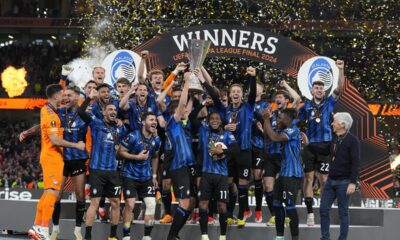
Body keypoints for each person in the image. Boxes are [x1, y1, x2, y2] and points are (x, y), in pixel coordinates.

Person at [27, 84, 85, 240]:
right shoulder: (52, 116)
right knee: (52, 193)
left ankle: (37, 226)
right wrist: (76, 145)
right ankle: (44, 229)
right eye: (62, 94)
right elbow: (55, 140)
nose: (64, 97)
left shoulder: (45, 109)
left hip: (47, 155)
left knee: (47, 193)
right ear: (56, 97)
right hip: (53, 157)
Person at [298, 60, 345, 226]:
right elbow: (294, 121)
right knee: (308, 178)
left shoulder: (329, 103)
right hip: (310, 146)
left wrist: (340, 70)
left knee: (325, 180)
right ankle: (310, 214)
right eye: (316, 88)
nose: (319, 90)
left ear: (324, 91)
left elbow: (339, 89)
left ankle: (324, 211)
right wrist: (299, 135)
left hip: (325, 146)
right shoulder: (305, 107)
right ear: (312, 90)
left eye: (321, 88)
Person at [78, 92, 127, 240]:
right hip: (97, 170)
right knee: (94, 202)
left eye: (114, 110)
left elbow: (124, 146)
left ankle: (112, 236)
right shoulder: (96, 123)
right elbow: (81, 112)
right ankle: (87, 236)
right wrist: (89, 98)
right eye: (110, 110)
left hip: (113, 171)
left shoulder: (121, 129)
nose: (113, 111)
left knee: (116, 202)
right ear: (104, 112)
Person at [196, 111, 239, 240]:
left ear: (221, 121)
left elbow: (236, 150)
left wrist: (222, 150)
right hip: (206, 174)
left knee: (222, 206)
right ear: (208, 121)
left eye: (217, 118)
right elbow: (200, 154)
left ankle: (222, 236)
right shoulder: (204, 133)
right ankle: (204, 236)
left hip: (221, 176)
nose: (214, 120)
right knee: (203, 204)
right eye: (212, 118)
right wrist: (198, 174)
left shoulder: (227, 135)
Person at [263, 81, 300, 226]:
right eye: (276, 96)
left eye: (281, 96)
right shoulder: (272, 116)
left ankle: (286, 216)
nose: (278, 98)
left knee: (283, 189)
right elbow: (268, 136)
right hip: (272, 155)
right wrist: (265, 123)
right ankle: (275, 215)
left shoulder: (290, 114)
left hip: (285, 157)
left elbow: (297, 98)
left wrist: (286, 86)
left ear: (286, 101)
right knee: (268, 187)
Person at [118, 112, 161, 240]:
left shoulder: (157, 140)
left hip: (146, 177)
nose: (154, 122)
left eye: (155, 120)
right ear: (143, 122)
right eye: (151, 120)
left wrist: (154, 176)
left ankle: (147, 236)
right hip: (129, 175)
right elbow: (120, 152)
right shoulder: (133, 136)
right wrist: (137, 157)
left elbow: (155, 156)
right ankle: (126, 235)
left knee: (152, 204)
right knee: (130, 204)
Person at [263, 108, 303, 240]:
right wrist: (266, 121)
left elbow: (274, 138)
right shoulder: (283, 130)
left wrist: (266, 119)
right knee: (276, 204)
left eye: (280, 117)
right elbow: (267, 135)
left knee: (290, 207)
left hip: (293, 174)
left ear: (288, 119)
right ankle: (279, 237)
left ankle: (295, 238)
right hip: (283, 173)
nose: (278, 119)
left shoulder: (294, 130)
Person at [224, 66, 256, 227]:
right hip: (229, 152)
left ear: (241, 95)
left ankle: (241, 215)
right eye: (233, 91)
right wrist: (224, 127)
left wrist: (252, 78)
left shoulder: (248, 108)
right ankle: (229, 214)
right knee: (230, 183)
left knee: (243, 184)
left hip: (244, 151)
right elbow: (218, 128)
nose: (235, 93)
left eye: (238, 91)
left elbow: (252, 95)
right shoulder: (226, 111)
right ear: (230, 95)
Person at [166, 71, 196, 240]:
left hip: (188, 167)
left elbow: (188, 105)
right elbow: (183, 103)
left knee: (191, 203)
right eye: (183, 109)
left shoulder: (184, 126)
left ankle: (175, 235)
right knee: (184, 202)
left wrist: (194, 95)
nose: (186, 110)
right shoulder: (172, 122)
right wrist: (186, 82)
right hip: (179, 167)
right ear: (176, 111)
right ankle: (171, 236)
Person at [320, 112, 359, 240]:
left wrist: (353, 182)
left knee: (343, 213)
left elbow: (355, 162)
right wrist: (308, 143)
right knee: (323, 210)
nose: (332, 123)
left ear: (342, 124)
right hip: (331, 181)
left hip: (345, 182)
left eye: (334, 121)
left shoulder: (352, 140)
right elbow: (325, 151)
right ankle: (325, 238)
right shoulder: (334, 138)